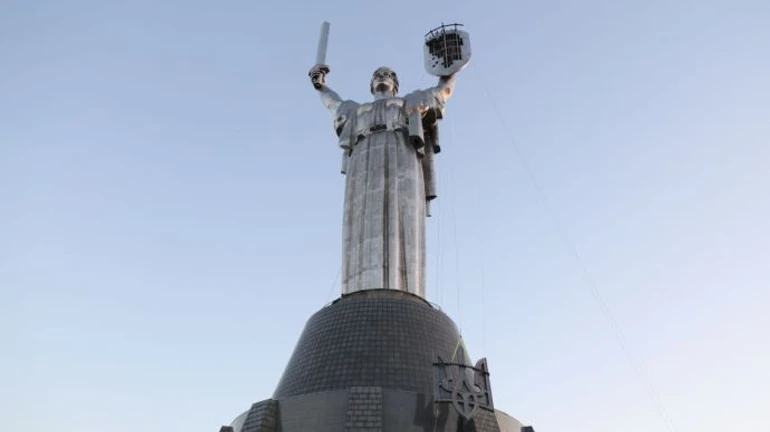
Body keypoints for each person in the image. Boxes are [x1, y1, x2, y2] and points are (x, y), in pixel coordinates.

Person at [309, 64, 458, 298]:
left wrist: (450, 73)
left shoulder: (409, 101)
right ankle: (358, 293)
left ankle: (406, 292)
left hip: (401, 152)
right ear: (371, 85)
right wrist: (321, 86)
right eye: (377, 75)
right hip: (363, 159)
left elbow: (440, 94)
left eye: (387, 75)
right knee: (361, 217)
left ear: (395, 85)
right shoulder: (356, 110)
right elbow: (333, 104)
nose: (381, 77)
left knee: (403, 212)